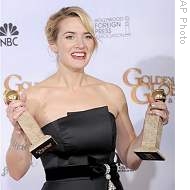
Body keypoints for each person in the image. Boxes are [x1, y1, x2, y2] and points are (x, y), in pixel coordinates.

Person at [5, 6, 169, 190]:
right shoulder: (34, 97)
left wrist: (151, 125)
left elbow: (131, 161)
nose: (81, 44)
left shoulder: (112, 93)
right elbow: (16, 172)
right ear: (53, 44)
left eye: (87, 36)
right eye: (70, 36)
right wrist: (19, 134)